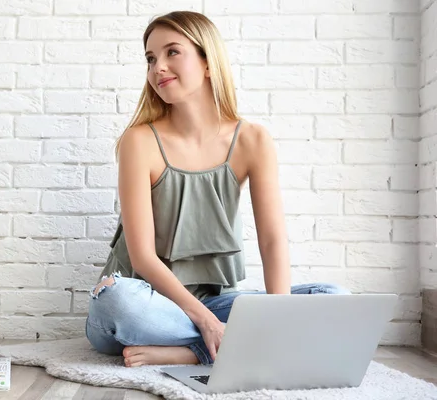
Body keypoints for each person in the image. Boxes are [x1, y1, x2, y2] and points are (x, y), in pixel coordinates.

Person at [85, 11, 350, 368]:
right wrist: (207, 322)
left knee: (333, 298)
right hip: (144, 303)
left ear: (208, 63)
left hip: (211, 302)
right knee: (116, 299)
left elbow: (272, 241)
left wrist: (280, 316)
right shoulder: (140, 141)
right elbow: (144, 258)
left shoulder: (252, 140)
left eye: (172, 52)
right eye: (150, 58)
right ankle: (231, 344)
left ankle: (191, 353)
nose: (157, 67)